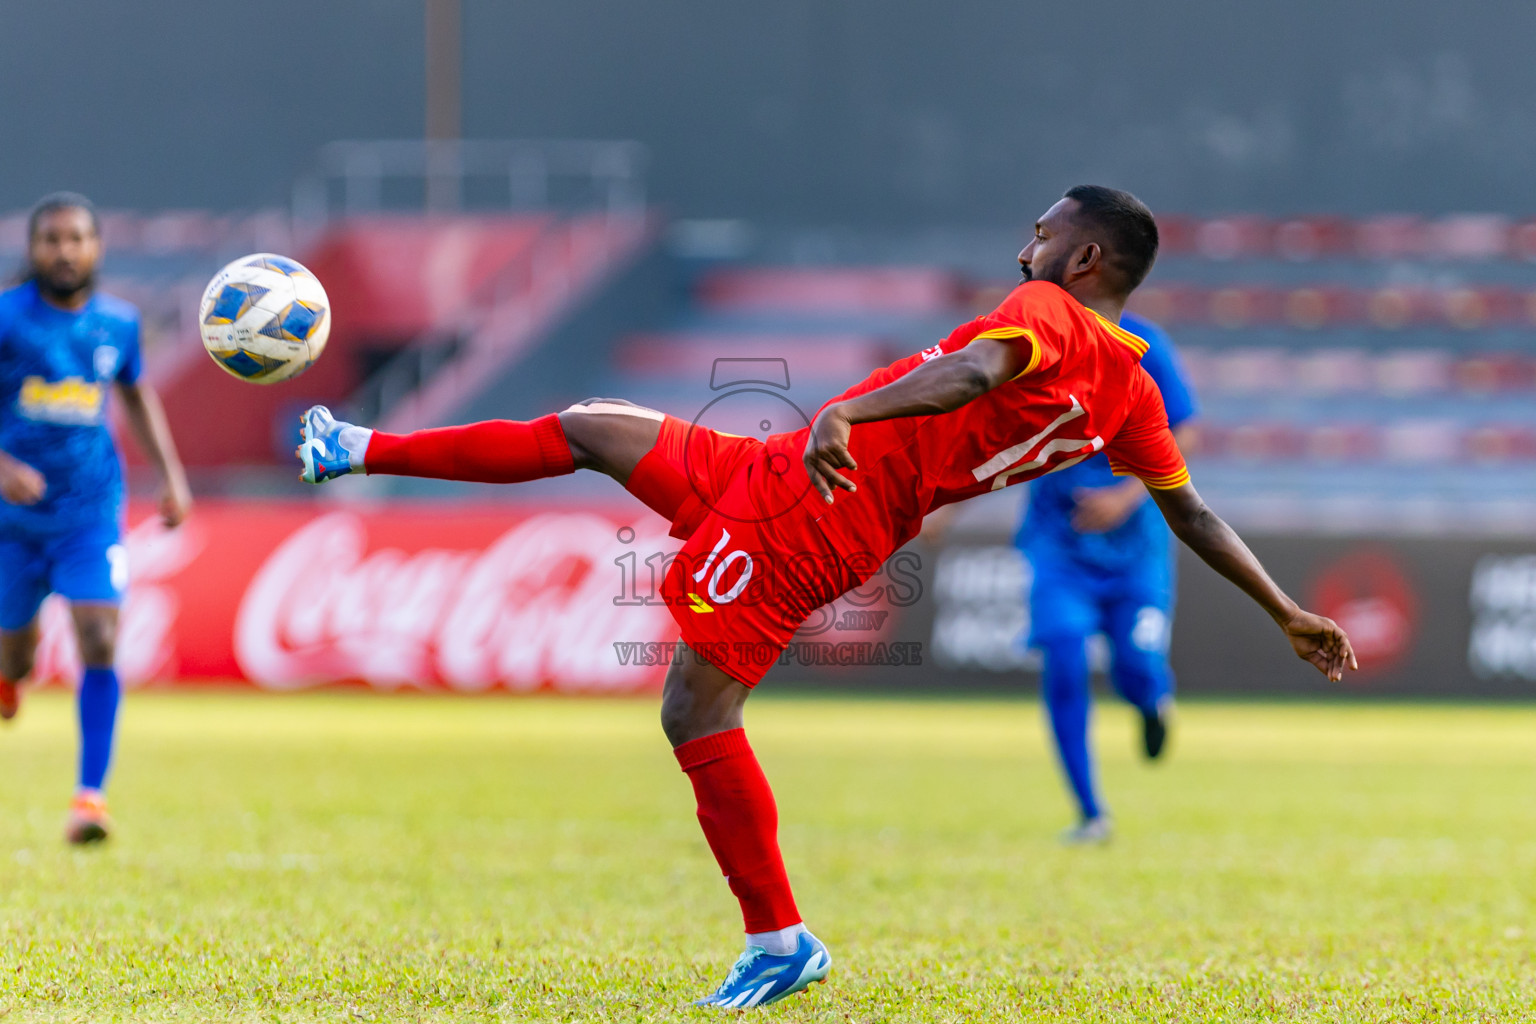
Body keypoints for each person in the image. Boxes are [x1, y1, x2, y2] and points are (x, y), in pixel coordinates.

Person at [296, 185, 1355, 1009]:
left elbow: (980, 371)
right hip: (793, 475)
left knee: (693, 708)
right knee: (594, 429)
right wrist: (1286, 611)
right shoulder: (1130, 390)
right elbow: (1192, 512)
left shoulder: (1046, 310)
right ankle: (357, 445)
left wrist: (857, 414)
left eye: (1040, 232)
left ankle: (779, 943)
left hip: (818, 504)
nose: (1023, 247)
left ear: (1083, 257)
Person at [0, 193, 192, 844]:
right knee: (16, 659)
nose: (64, 250)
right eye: (51, 239)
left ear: (96, 248)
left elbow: (137, 395)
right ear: (34, 250)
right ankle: (8, 677)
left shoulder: (120, 323)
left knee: (101, 639)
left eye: (76, 238)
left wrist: (171, 475)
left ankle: (90, 799)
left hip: (89, 515)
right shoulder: (6, 319)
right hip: (12, 521)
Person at [1018, 311, 1197, 844]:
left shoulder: (1146, 342)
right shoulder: (1032, 333)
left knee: (1137, 664)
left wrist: (1125, 496)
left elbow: (1183, 428)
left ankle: (1151, 700)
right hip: (1058, 544)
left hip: (1135, 549)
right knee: (1065, 654)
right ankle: (1091, 811)